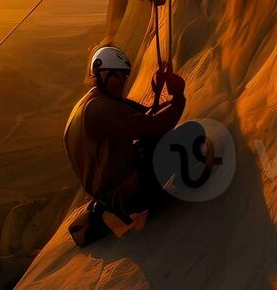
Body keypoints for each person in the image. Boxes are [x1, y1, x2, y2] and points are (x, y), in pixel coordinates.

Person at [64, 46, 187, 236]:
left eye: (125, 76)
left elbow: (142, 117)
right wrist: (178, 98)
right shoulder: (101, 108)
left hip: (108, 194)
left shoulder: (90, 103)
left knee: (150, 144)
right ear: (103, 74)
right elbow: (156, 126)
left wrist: (157, 94)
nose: (121, 82)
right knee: (180, 146)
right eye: (118, 76)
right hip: (126, 195)